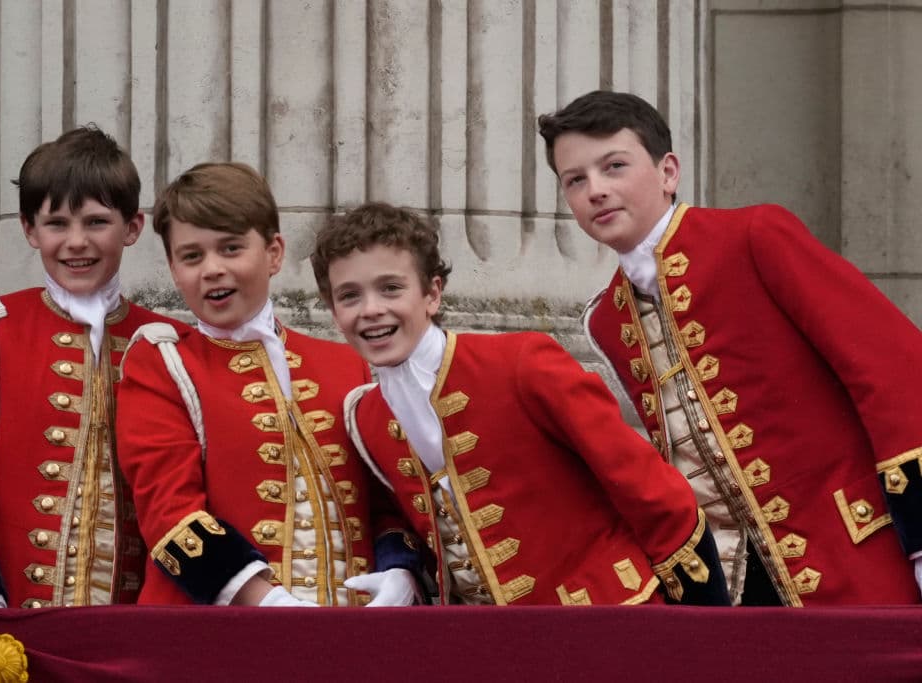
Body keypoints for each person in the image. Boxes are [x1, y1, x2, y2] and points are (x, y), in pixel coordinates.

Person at [538, 90, 922, 606]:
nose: (597, 190)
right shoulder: (608, 319)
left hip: (857, 554)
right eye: (575, 180)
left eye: (614, 167)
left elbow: (895, 369)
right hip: (734, 594)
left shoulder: (754, 235)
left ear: (668, 172)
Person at [310, 201, 728, 606]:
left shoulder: (522, 363)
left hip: (609, 624)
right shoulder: (367, 418)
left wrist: (703, 631)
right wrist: (402, 570)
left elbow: (652, 491)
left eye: (390, 288)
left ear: (432, 293)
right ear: (332, 310)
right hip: (494, 653)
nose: (371, 310)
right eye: (350, 296)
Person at [116, 163, 421, 607]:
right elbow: (168, 510)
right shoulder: (159, 364)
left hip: (350, 634)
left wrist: (400, 571)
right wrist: (269, 602)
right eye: (192, 256)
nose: (213, 269)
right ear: (173, 268)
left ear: (274, 253)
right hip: (212, 640)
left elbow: (385, 503)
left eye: (231, 248)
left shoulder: (344, 363)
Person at [0, 124, 185, 608]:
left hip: (136, 631)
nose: (76, 242)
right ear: (29, 229)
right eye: (57, 223)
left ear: (132, 227)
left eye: (97, 222)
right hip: (12, 620)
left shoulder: (168, 342)